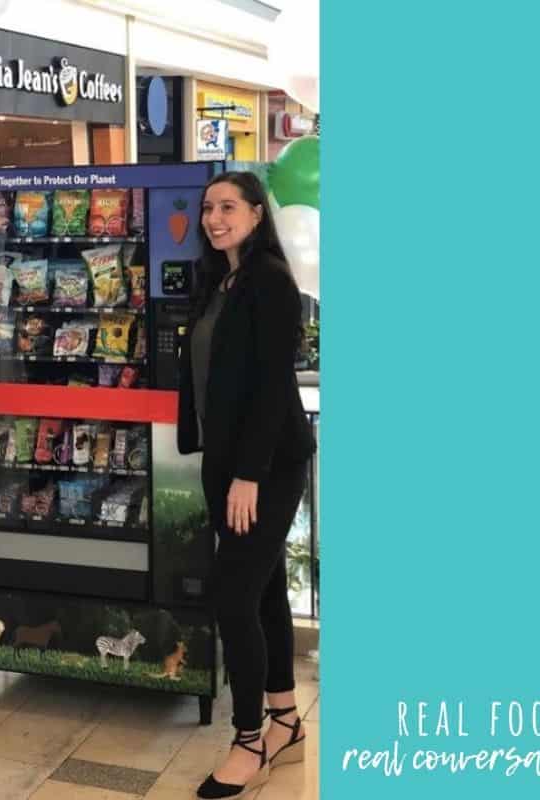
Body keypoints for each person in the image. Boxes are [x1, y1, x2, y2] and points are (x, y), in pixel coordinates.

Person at [177, 172, 316, 797]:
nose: (214, 217)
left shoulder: (271, 283)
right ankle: (286, 718)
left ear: (258, 215)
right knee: (260, 595)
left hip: (263, 467)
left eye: (228, 206)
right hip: (226, 459)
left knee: (232, 597)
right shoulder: (221, 281)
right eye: (208, 207)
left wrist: (247, 477)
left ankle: (249, 740)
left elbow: (269, 389)